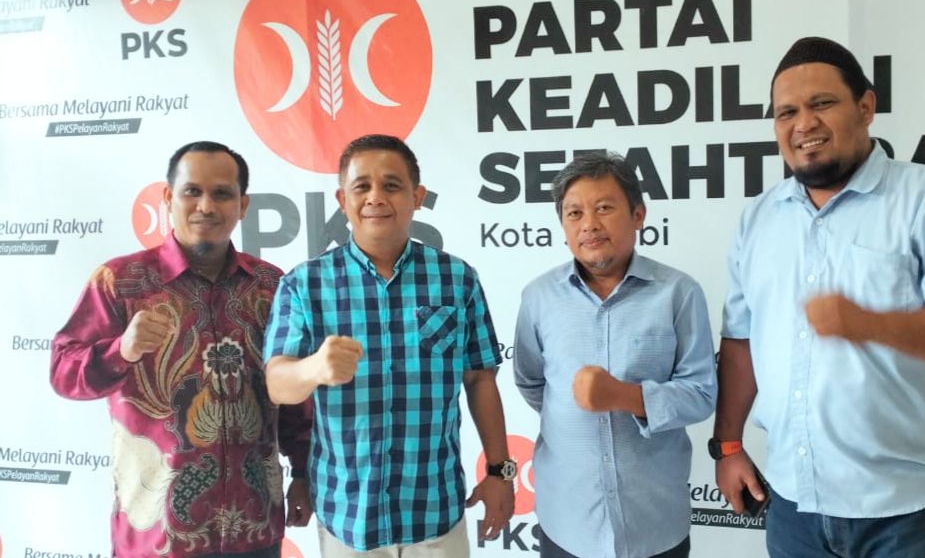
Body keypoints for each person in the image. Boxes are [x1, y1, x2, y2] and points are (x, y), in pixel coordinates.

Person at [712, 36, 925, 558]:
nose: (804, 124)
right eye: (786, 112)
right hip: (794, 501)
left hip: (908, 508)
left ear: (866, 107)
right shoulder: (758, 218)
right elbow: (740, 342)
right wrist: (729, 445)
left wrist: (871, 323)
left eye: (822, 103)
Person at [50, 141, 313, 558]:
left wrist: (303, 472)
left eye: (221, 194)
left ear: (243, 205)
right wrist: (122, 350)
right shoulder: (121, 282)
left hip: (254, 527)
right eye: (192, 191)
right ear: (169, 198)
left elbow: (294, 390)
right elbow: (64, 373)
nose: (206, 206)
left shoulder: (270, 285)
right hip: (157, 535)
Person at [262, 134, 515, 558]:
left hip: (435, 512)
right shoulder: (305, 284)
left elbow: (479, 380)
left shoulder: (456, 279)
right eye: (362, 186)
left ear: (417, 197)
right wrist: (314, 369)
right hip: (347, 517)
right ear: (343, 200)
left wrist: (500, 472)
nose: (376, 197)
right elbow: (277, 384)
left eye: (392, 185)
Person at [513, 151, 717, 558]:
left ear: (638, 214)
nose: (589, 224)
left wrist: (625, 397)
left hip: (654, 522)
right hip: (567, 523)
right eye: (574, 213)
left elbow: (701, 394)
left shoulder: (679, 293)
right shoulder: (538, 297)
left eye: (604, 208)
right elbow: (532, 382)